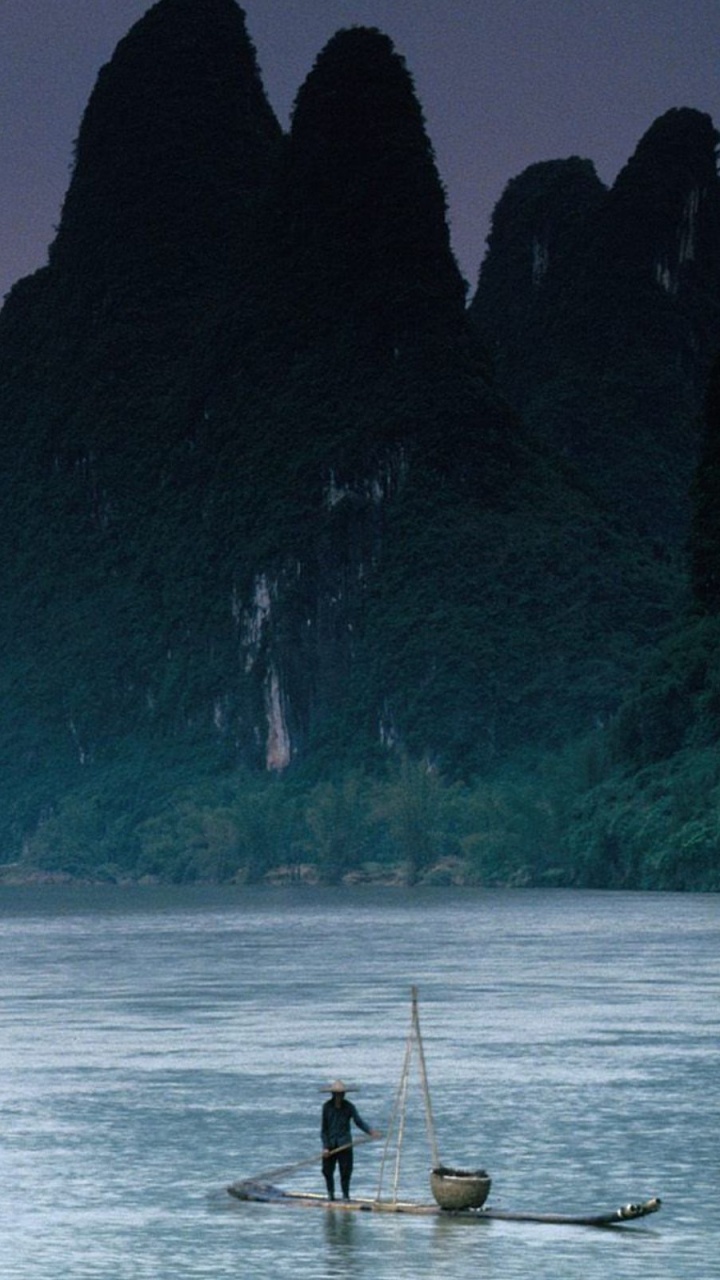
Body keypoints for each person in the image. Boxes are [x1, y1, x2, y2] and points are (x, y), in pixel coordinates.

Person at [320, 1080, 381, 1200]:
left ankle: (345, 1195)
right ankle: (330, 1194)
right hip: (331, 1144)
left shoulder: (349, 1107)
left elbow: (359, 1122)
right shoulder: (326, 1107)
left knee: (346, 1171)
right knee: (327, 1171)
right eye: (336, 1094)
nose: (339, 1096)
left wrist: (370, 1131)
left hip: (345, 1144)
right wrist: (325, 1147)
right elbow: (324, 1130)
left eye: (341, 1094)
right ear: (332, 1094)